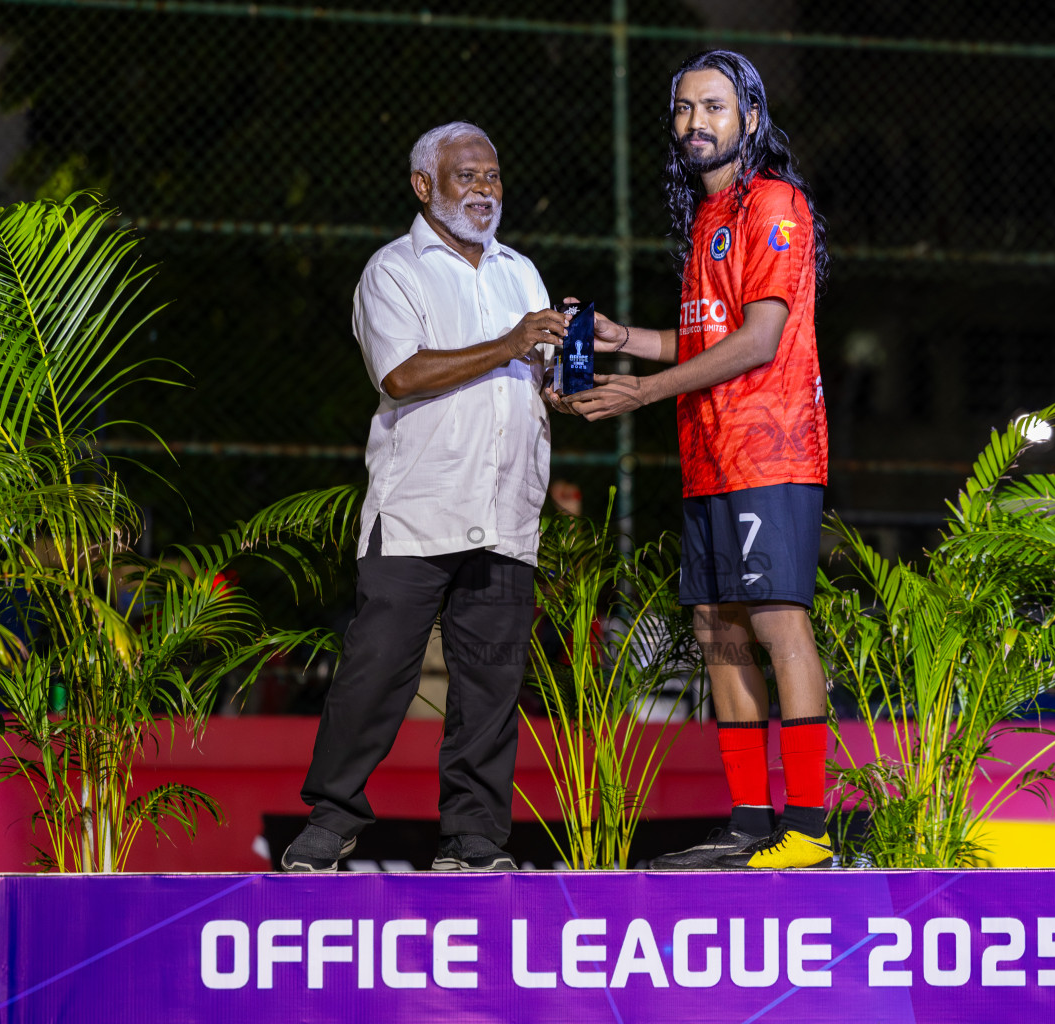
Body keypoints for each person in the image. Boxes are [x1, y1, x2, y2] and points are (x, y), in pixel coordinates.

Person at [556, 51, 832, 869]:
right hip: (709, 452)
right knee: (719, 631)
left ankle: (810, 831)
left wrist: (640, 392)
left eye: (713, 106)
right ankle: (751, 822)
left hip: (773, 445)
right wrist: (623, 341)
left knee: (781, 622)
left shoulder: (773, 204)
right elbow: (705, 337)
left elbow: (758, 339)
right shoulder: (707, 222)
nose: (694, 123)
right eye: (682, 109)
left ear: (749, 115)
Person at [282, 121, 570, 872]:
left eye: (493, 176)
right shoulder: (393, 271)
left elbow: (535, 376)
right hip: (418, 510)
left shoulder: (521, 272)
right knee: (377, 673)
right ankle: (332, 817)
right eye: (466, 176)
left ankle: (474, 839)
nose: (484, 189)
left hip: (506, 511)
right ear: (424, 186)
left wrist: (563, 386)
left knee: (490, 682)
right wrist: (511, 345)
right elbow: (400, 376)